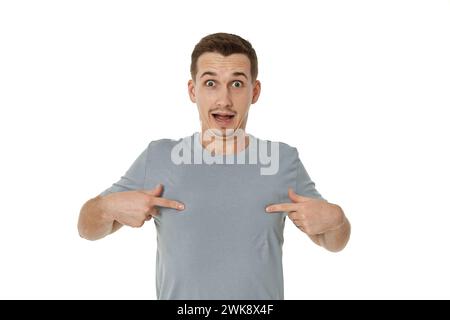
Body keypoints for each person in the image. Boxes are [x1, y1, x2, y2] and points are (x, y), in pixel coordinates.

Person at [78, 32, 351, 300]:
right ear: (192, 90)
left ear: (254, 91)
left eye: (236, 84)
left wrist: (337, 220)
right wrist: (107, 208)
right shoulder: (159, 157)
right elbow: (86, 228)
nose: (224, 100)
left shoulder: (281, 160)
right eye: (211, 83)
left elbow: (333, 241)